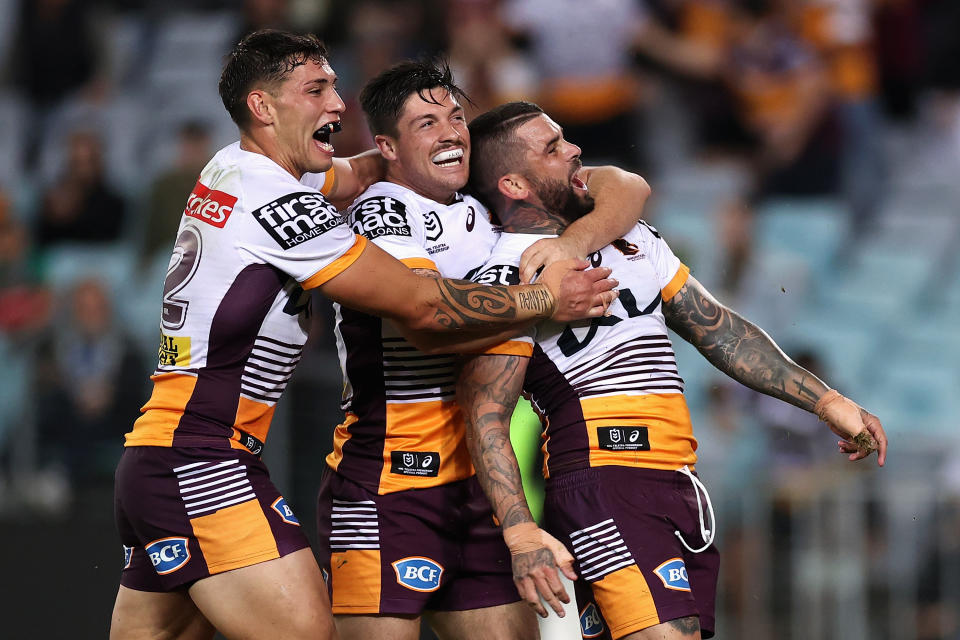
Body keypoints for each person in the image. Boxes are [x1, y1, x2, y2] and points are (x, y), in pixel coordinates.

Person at [109, 31, 617, 640]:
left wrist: (429, 148)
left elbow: (353, 173)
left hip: (172, 451)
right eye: (316, 89)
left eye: (335, 86)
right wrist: (545, 298)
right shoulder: (280, 205)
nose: (336, 103)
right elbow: (421, 309)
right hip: (200, 457)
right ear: (263, 107)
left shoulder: (236, 166)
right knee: (306, 632)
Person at [456, 101, 888, 640]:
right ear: (514, 184)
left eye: (565, 138)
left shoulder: (630, 238)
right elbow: (486, 412)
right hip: (601, 477)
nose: (574, 151)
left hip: (677, 480)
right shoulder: (504, 274)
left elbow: (720, 330)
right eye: (553, 148)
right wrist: (520, 532)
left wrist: (827, 402)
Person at [316, 60, 651, 640]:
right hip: (390, 482)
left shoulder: (478, 201)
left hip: (477, 487)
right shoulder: (383, 209)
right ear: (387, 146)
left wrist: (570, 243)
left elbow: (626, 185)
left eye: (454, 117)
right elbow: (426, 322)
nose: (450, 132)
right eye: (426, 123)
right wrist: (545, 298)